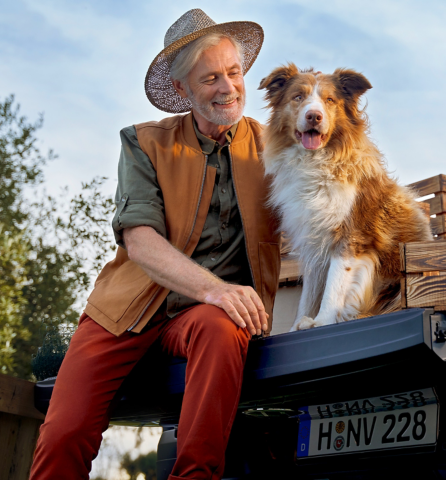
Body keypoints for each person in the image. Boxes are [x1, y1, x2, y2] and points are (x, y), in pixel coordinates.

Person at [29, 9, 280, 479]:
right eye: (210, 78)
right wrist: (219, 288)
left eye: (234, 72)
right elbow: (141, 242)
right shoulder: (143, 143)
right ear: (183, 90)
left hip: (202, 319)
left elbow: (321, 204)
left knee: (224, 326)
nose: (228, 87)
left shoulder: (275, 147)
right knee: (64, 433)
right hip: (124, 313)